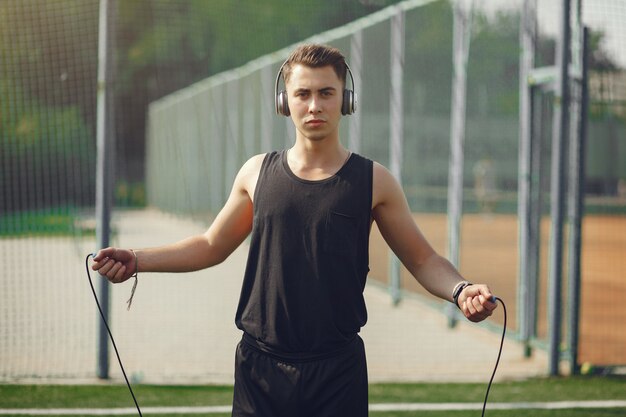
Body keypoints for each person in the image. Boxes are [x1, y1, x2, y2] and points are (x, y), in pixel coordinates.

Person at [92, 43, 497, 417]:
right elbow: (210, 245)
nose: (314, 105)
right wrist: (138, 260)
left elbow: (423, 259)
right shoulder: (256, 173)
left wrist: (461, 291)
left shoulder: (374, 181)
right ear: (284, 102)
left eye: (326, 93)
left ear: (346, 100)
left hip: (338, 372)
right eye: (303, 94)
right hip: (259, 369)